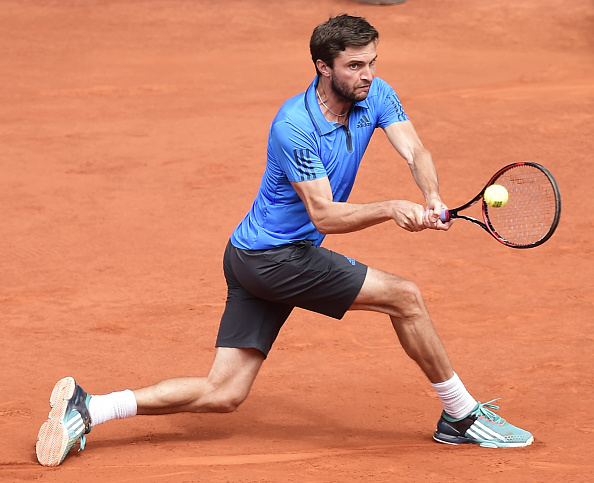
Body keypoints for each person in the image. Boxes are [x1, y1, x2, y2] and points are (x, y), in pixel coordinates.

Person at [35, 14, 533, 467]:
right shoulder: (294, 127)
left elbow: (415, 149)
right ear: (323, 66)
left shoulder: (375, 94)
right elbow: (325, 215)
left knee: (223, 393)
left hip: (252, 255)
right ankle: (462, 417)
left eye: (373, 63)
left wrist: (431, 196)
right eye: (355, 65)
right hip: (275, 259)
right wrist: (390, 208)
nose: (368, 75)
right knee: (405, 297)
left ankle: (90, 407)